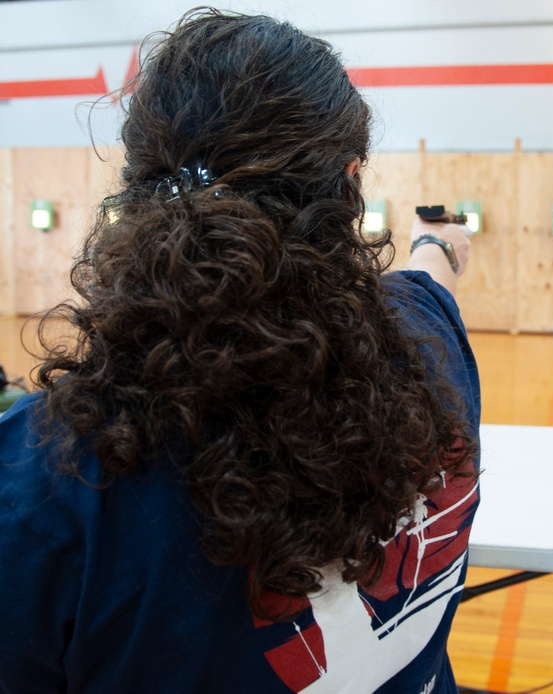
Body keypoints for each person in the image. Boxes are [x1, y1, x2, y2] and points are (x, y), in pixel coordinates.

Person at [0, 8, 480, 694]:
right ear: (348, 182)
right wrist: (436, 244)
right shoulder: (429, 340)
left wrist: (430, 251)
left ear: (136, 187)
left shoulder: (45, 479)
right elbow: (426, 276)